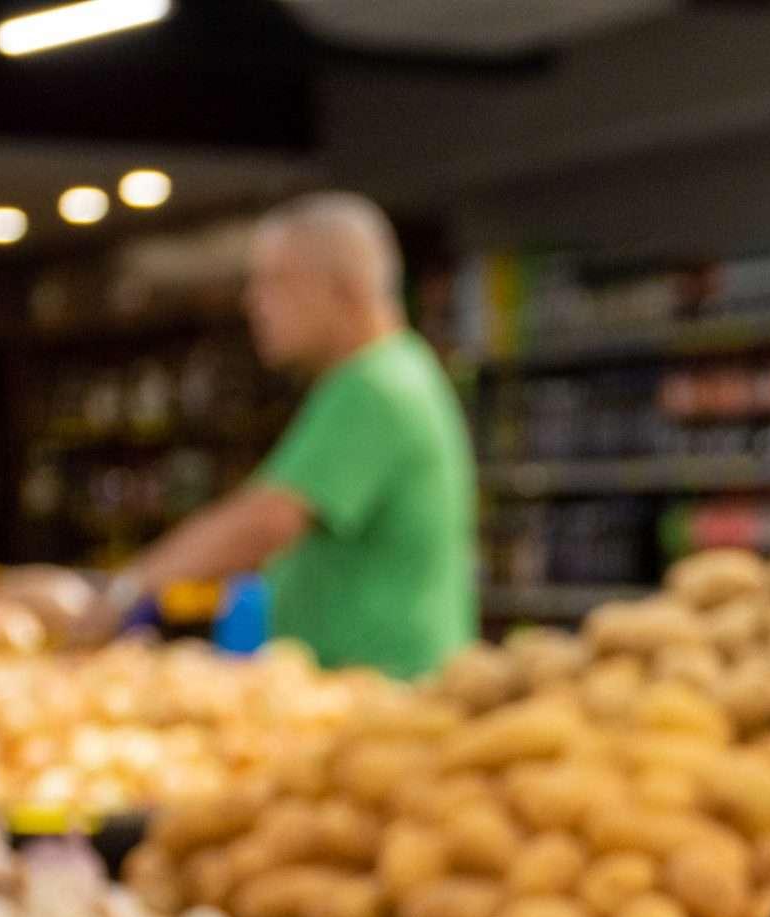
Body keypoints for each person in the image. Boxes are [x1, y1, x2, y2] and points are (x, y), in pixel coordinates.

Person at [72, 192, 477, 678]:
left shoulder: (374, 385)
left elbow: (268, 519)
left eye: (275, 281)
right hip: (370, 692)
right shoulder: (386, 372)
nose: (253, 302)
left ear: (344, 287)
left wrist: (128, 591)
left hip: (386, 697)